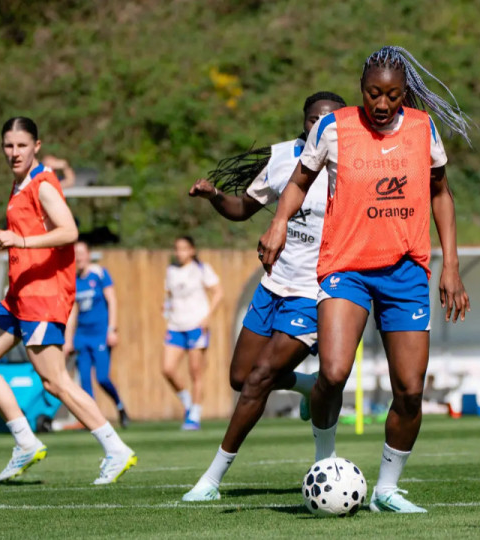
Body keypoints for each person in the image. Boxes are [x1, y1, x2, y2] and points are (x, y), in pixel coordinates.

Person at [257, 46, 472, 513]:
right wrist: (277, 223)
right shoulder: (332, 129)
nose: (381, 104)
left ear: (404, 95)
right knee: (333, 373)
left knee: (411, 391)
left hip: (406, 272)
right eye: (373, 93)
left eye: (392, 95)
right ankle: (324, 460)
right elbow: (297, 182)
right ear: (361, 89)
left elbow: (441, 194)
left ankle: (388, 489)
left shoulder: (423, 129)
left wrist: (450, 265)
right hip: (346, 268)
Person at [181, 91, 346, 501]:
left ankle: (212, 480)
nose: (319, 127)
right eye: (312, 119)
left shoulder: (352, 168)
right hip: (273, 285)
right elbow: (243, 208)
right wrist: (216, 196)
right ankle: (307, 386)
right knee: (240, 377)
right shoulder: (281, 159)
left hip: (314, 293)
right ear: (304, 121)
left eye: (329, 120)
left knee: (259, 379)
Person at [0, 117, 137, 484]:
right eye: (8, 145)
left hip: (43, 295)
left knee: (55, 381)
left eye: (22, 145)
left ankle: (116, 448)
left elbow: (69, 231)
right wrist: (4, 240)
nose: (14, 152)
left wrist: (20, 242)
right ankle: (26, 442)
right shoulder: (19, 183)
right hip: (19, 294)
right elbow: (28, 230)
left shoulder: (42, 183)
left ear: (36, 147)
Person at [63, 241, 130, 428]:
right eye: (75, 254)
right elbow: (72, 313)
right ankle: (91, 421)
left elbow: (112, 301)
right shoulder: (73, 280)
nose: (79, 257)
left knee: (102, 378)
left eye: (82, 253)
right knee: (84, 379)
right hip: (81, 336)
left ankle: (120, 406)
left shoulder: (100, 274)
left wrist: (112, 329)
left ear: (89, 254)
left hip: (100, 334)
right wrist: (68, 340)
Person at [163, 235, 224, 430]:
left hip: (196, 326)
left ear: (192, 250)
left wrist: (207, 317)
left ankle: (195, 414)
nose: (180, 253)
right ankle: (187, 401)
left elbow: (218, 292)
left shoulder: (201, 269)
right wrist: (165, 308)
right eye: (177, 248)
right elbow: (169, 296)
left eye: (184, 248)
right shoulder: (171, 271)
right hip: (175, 326)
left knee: (195, 372)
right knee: (168, 369)